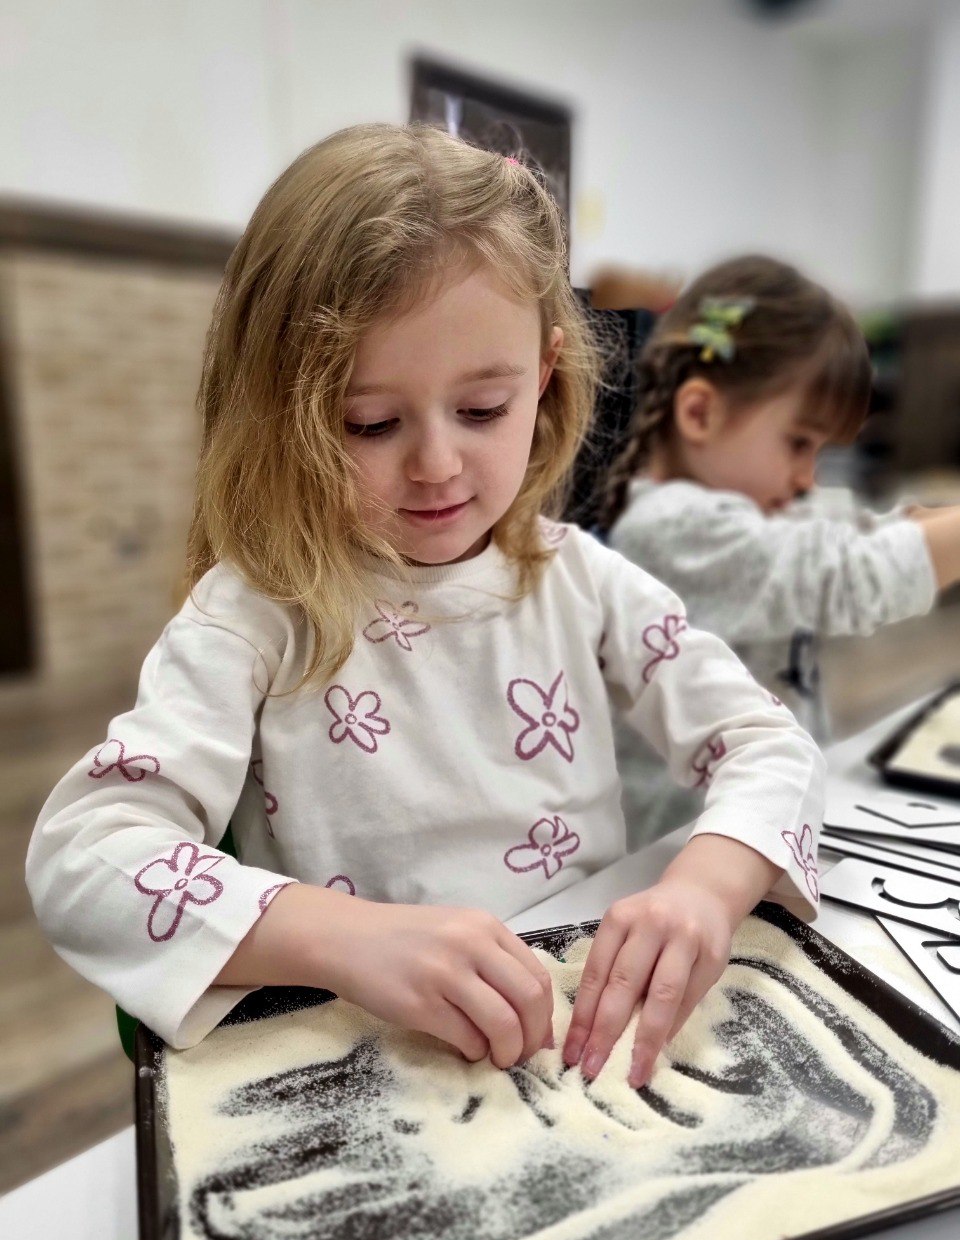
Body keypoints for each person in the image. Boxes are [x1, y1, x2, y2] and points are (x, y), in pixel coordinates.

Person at [26, 128, 824, 1093]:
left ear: (544, 374)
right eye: (368, 423)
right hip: (371, 1064)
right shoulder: (256, 615)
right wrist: (343, 939)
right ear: (283, 413)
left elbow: (767, 743)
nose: (437, 465)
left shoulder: (583, 583)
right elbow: (83, 857)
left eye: (482, 410)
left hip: (575, 1043)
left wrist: (706, 885)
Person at [600, 254, 960, 850]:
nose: (806, 479)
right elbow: (850, 575)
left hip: (764, 824)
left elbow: (862, 533)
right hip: (683, 847)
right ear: (700, 413)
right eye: (798, 444)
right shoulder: (669, 528)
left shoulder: (760, 506)